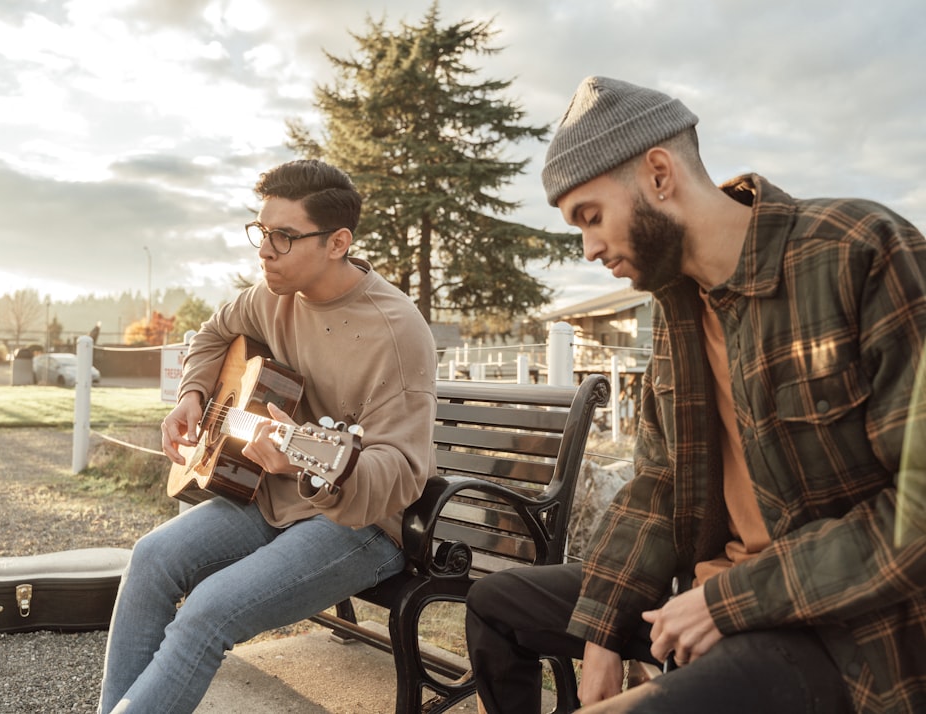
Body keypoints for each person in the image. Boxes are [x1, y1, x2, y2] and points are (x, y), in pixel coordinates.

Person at [465, 76, 926, 713]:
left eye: (591, 217)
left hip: (843, 629)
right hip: (703, 595)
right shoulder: (676, 312)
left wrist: (728, 601)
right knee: (496, 605)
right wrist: (603, 624)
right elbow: (658, 484)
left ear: (659, 174)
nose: (589, 247)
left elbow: (918, 511)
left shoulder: (857, 253)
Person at [98, 159, 438, 713]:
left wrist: (303, 455)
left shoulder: (397, 332)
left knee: (207, 612)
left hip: (359, 524)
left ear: (338, 243)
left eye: (283, 237)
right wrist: (191, 397)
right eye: (261, 232)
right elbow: (210, 335)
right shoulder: (270, 296)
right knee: (151, 558)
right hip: (271, 499)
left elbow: (399, 473)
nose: (264, 250)